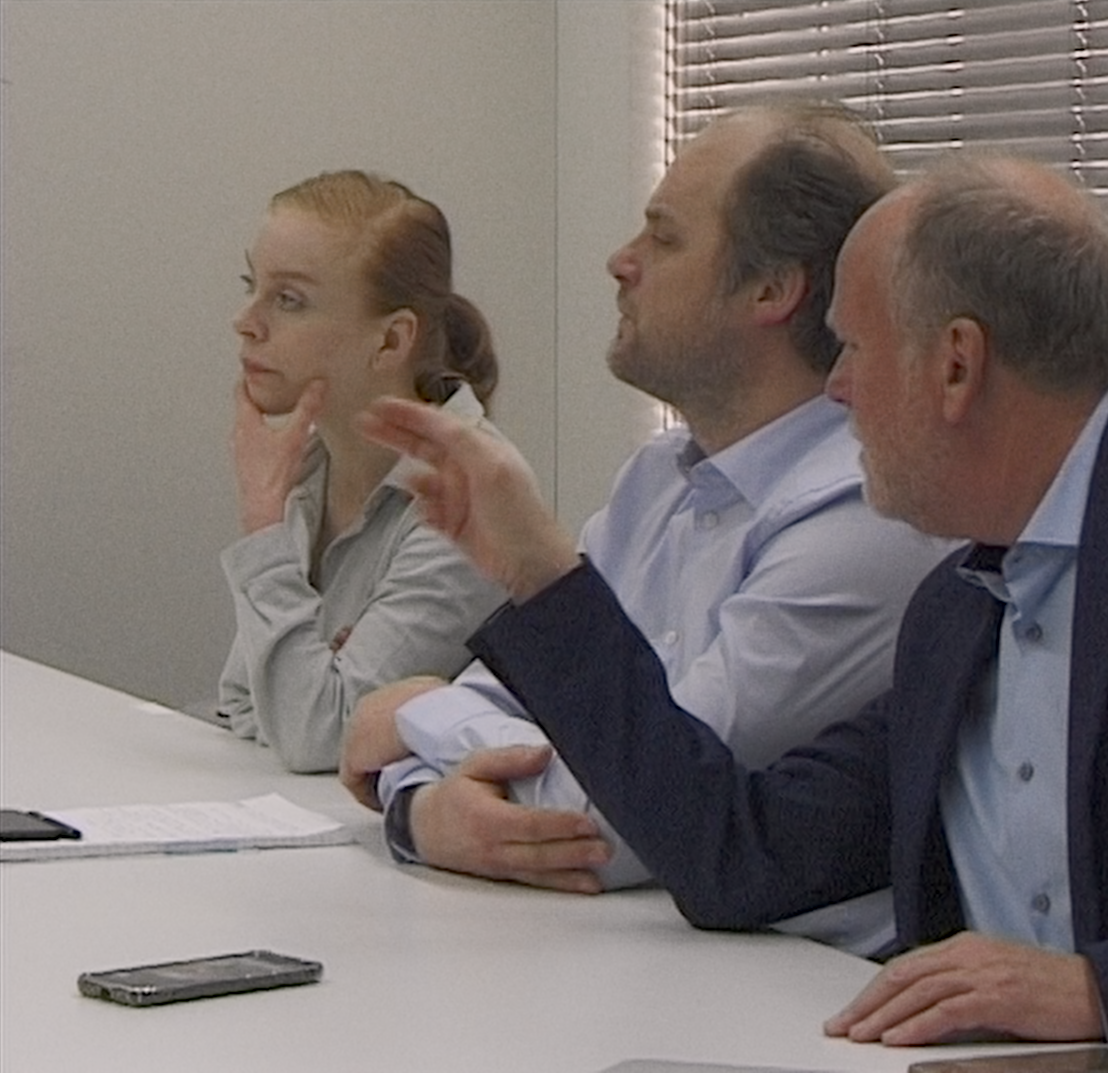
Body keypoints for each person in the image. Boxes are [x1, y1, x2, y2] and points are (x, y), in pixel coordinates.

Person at [357, 151, 1108, 1073]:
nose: (838, 391)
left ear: (955, 364)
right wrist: (540, 572)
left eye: (853, 349)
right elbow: (734, 856)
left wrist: (1103, 987)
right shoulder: (962, 604)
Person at [338, 104, 957, 956]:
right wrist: (420, 808)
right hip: (641, 954)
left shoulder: (863, 509)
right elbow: (520, 723)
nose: (620, 261)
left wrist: (417, 721)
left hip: (794, 982)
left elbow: (619, 821)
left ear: (772, 290)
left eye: (663, 238)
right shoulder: (659, 476)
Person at [218, 170, 506, 773]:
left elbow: (320, 737)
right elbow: (244, 702)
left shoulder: (467, 493)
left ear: (391, 341)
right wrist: (313, 687)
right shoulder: (308, 466)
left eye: (288, 300)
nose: (245, 321)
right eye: (251, 286)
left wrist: (264, 529)